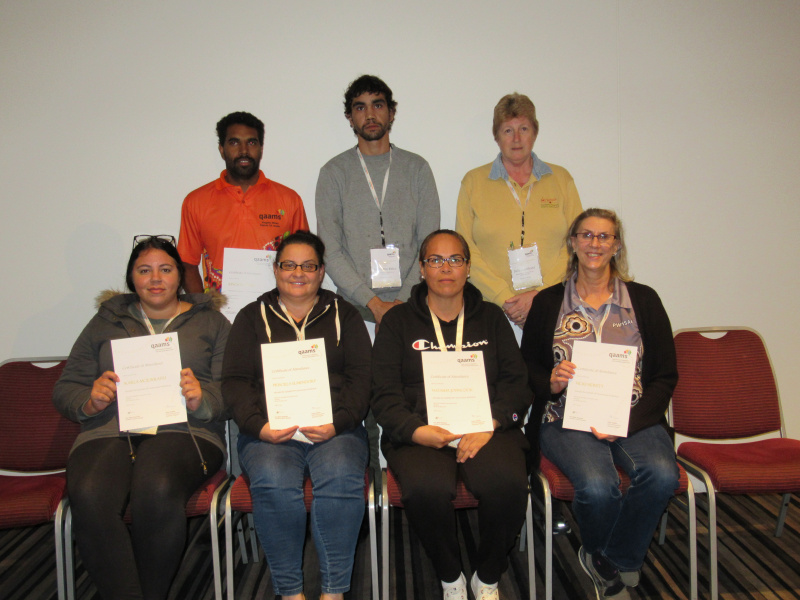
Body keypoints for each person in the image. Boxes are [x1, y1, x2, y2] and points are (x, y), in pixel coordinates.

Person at [53, 235, 230, 600]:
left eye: (165, 269)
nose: (155, 279)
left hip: (186, 430)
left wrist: (202, 399)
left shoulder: (212, 322)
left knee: (156, 486)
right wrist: (90, 402)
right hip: (109, 430)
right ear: (131, 278)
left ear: (179, 276)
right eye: (144, 270)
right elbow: (66, 387)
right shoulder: (105, 322)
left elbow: (233, 388)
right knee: (88, 492)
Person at [520, 208, 679, 600]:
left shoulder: (644, 300)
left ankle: (609, 558)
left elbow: (664, 376)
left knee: (662, 475)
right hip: (564, 418)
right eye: (586, 235)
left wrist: (628, 422)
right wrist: (551, 382)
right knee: (597, 486)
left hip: (634, 417)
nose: (595, 243)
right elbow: (527, 368)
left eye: (604, 236)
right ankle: (610, 559)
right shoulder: (549, 302)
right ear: (573, 242)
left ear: (617, 245)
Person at [372, 229, 531, 600]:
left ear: (468, 268)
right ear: (422, 269)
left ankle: (488, 577)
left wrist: (490, 423)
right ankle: (450, 576)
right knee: (426, 488)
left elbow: (517, 383)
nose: (446, 268)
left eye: (455, 260)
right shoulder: (397, 322)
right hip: (420, 431)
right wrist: (415, 431)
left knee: (507, 482)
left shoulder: (491, 318)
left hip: (486, 428)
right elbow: (383, 393)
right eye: (436, 260)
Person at [222, 231, 371, 600]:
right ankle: (290, 592)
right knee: (273, 481)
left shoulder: (346, 315)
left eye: (308, 265)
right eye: (289, 265)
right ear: (275, 269)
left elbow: (362, 378)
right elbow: (235, 381)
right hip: (269, 431)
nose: (298, 273)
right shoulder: (250, 317)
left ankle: (333, 591)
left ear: (321, 272)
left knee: (341, 477)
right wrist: (259, 427)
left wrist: (338, 422)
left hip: (336, 429)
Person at [315, 74, 440, 326]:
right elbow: (330, 250)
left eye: (378, 105)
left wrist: (401, 302)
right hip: (354, 309)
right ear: (350, 118)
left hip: (412, 305)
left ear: (391, 113)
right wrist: (373, 303)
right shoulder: (333, 173)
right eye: (360, 108)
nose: (370, 115)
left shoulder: (417, 168)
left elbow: (429, 246)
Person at [456, 92, 583, 330]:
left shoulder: (561, 179)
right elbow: (464, 249)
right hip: (491, 309)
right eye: (507, 130)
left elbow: (577, 243)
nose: (516, 138)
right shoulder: (473, 182)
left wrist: (540, 295)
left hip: (553, 307)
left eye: (523, 129)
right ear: (496, 136)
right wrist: (505, 298)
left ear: (535, 132)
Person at [178, 111, 309, 293]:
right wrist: (203, 308)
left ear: (261, 149)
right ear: (221, 149)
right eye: (234, 142)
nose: (244, 151)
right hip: (220, 308)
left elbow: (306, 259)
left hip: (276, 307)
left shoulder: (289, 200)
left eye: (251, 142)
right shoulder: (196, 201)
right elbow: (187, 264)